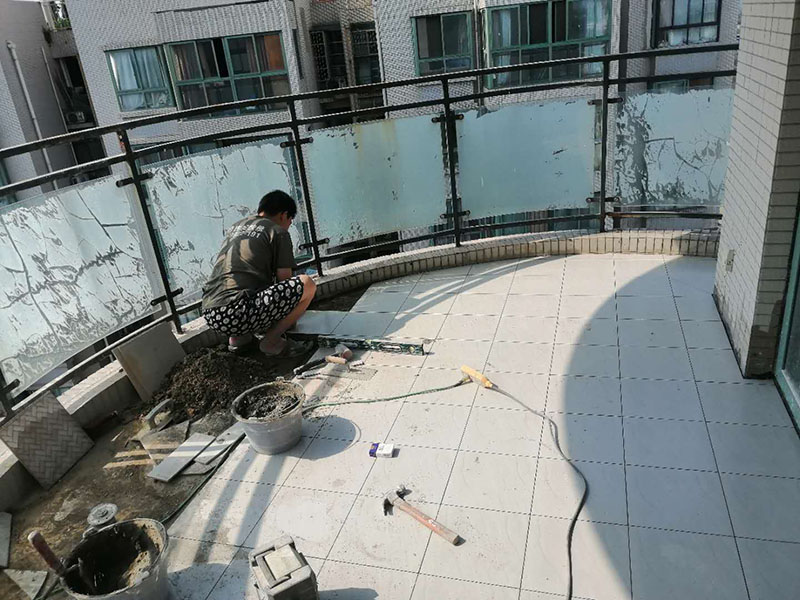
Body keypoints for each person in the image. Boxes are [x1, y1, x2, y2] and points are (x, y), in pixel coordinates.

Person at [201, 190, 316, 356]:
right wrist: (288, 323)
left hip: (211, 313)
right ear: (284, 215)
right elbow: (285, 281)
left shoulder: (236, 227)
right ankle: (271, 342)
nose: (289, 224)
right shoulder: (277, 231)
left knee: (244, 286)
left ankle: (238, 341)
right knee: (307, 284)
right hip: (237, 313)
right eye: (290, 220)